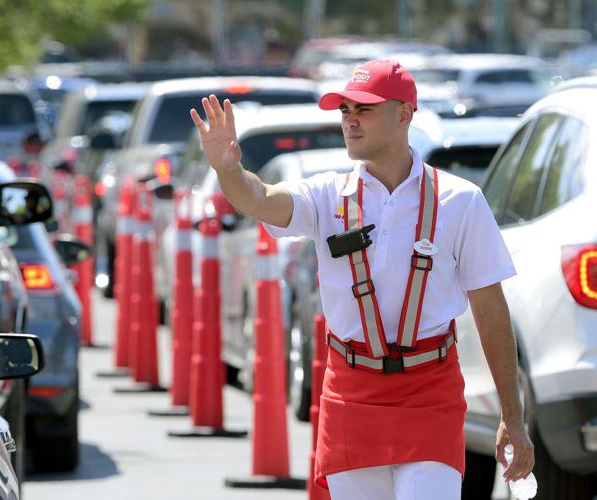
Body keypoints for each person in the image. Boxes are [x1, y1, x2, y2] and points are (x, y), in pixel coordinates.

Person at [190, 59, 534, 500]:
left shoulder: (460, 201)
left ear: (404, 114)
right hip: (351, 393)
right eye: (344, 110)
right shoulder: (325, 194)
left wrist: (513, 415)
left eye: (364, 109)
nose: (350, 119)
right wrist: (228, 170)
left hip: (430, 391)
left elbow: (490, 308)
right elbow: (259, 200)